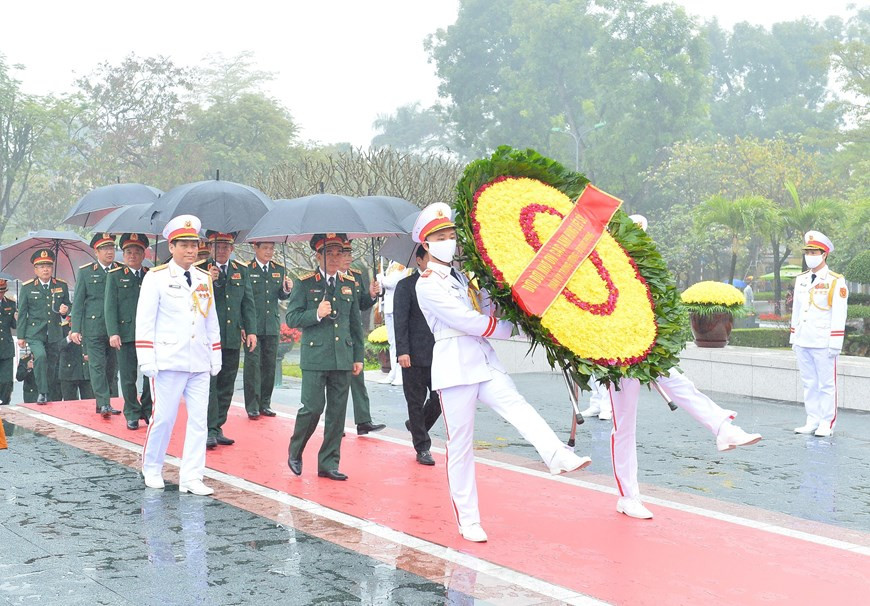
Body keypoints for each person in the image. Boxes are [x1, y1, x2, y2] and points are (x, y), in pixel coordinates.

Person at [413, 203, 590, 542]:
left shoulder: (461, 276)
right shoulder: (427, 284)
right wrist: (512, 330)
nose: (448, 241)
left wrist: (500, 295)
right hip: (455, 367)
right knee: (461, 445)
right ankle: (468, 520)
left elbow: (484, 308)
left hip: (483, 361)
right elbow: (466, 321)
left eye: (451, 235)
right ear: (426, 244)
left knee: (518, 406)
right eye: (440, 237)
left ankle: (556, 455)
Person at [606, 215, 763, 520]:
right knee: (624, 426)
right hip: (616, 357)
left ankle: (723, 428)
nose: (637, 244)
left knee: (681, 386)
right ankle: (628, 496)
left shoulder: (645, 272)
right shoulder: (605, 269)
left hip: (646, 348)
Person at [135, 214, 221, 495]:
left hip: (198, 359)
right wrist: (146, 357)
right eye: (183, 245)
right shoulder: (156, 278)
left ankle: (192, 476)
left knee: (199, 422)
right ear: (171, 247)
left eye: (194, 245)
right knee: (164, 418)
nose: (190, 250)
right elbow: (145, 320)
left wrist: (215, 354)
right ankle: (152, 467)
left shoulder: (203, 278)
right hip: (168, 360)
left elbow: (211, 319)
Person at [286, 233, 364, 481]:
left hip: (343, 356)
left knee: (337, 413)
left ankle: (328, 463)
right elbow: (292, 318)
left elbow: (355, 324)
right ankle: (295, 450)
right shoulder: (305, 283)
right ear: (317, 255)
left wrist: (358, 356)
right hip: (316, 355)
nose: (334, 257)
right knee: (312, 408)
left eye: (339, 252)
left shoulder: (349, 283)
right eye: (329, 252)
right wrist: (316, 313)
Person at [790, 230, 848, 437]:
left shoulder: (835, 281)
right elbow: (797, 310)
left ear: (824, 255)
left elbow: (839, 314)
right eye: (807, 251)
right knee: (809, 383)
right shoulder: (802, 279)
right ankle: (812, 419)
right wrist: (793, 336)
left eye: (814, 252)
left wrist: (835, 343)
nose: (809, 255)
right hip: (803, 339)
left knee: (826, 384)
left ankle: (827, 423)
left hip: (823, 341)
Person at [203, 231, 257, 449]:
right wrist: (209, 282)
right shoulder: (200, 269)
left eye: (226, 247)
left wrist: (250, 330)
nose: (222, 250)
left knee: (227, 384)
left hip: (232, 335)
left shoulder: (240, 270)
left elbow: (247, 303)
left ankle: (218, 426)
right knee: (210, 385)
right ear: (209, 248)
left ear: (232, 249)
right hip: (209, 339)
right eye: (217, 246)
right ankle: (208, 428)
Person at [393, 245, 441, 465]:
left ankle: (416, 426)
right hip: (412, 354)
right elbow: (400, 320)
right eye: (430, 258)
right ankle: (422, 447)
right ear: (419, 261)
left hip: (440, 353)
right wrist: (402, 351)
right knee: (415, 401)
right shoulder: (406, 286)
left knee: (440, 399)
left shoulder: (444, 285)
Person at [70, 233, 121, 417]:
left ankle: (104, 403)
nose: (110, 252)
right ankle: (104, 403)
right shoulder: (86, 272)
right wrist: (75, 328)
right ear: (96, 251)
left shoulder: (120, 270)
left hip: (115, 328)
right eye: (105, 248)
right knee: (97, 366)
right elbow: (78, 302)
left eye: (112, 248)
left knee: (110, 368)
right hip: (93, 327)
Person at [105, 233, 152, 429]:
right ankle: (132, 412)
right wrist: (113, 332)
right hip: (125, 334)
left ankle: (148, 410)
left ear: (144, 254)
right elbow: (110, 307)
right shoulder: (115, 276)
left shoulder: (152, 275)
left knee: (151, 375)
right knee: (127, 376)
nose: (132, 255)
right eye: (128, 252)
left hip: (149, 334)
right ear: (123, 255)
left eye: (137, 252)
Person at [339, 237, 385, 435]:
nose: (348, 258)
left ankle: (363, 420)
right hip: (335, 334)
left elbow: (362, 304)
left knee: (358, 376)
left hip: (353, 332)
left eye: (350, 254)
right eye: (344, 254)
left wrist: (372, 294)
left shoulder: (355, 276)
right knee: (337, 382)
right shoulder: (327, 278)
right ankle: (335, 424)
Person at [243, 241, 293, 419]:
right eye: (265, 248)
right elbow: (243, 298)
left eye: (271, 248)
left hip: (271, 324)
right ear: (255, 248)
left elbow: (281, 295)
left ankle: (265, 403)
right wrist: (244, 326)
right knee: (253, 366)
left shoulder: (278, 270)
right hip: (253, 326)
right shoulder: (247, 269)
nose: (269, 252)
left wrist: (287, 290)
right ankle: (252, 405)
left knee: (269, 366)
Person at [17, 249, 70, 404]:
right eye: (41, 266)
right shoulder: (27, 287)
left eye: (48, 265)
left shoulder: (61, 285)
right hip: (34, 332)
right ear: (35, 269)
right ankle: (42, 392)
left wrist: (65, 310)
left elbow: (68, 305)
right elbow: (22, 313)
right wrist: (21, 336)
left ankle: (51, 394)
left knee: (52, 365)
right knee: (40, 356)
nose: (45, 269)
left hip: (54, 331)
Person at [376, 261, 410, 386]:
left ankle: (401, 374)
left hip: (398, 305)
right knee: (392, 342)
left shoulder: (403, 262)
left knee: (398, 341)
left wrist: (381, 279)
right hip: (389, 306)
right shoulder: (391, 262)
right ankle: (393, 372)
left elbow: (393, 282)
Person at [59, 316, 94, 400]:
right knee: (70, 403)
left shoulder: (88, 329)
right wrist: (68, 339)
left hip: (85, 372)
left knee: (89, 402)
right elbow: (57, 346)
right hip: (68, 373)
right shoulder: (62, 329)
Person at [0, 279, 16, 405]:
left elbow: (15, 325)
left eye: (2, 291)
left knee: (6, 381)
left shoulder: (10, 304)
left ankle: (4, 404)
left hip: (6, 348)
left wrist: (18, 317)